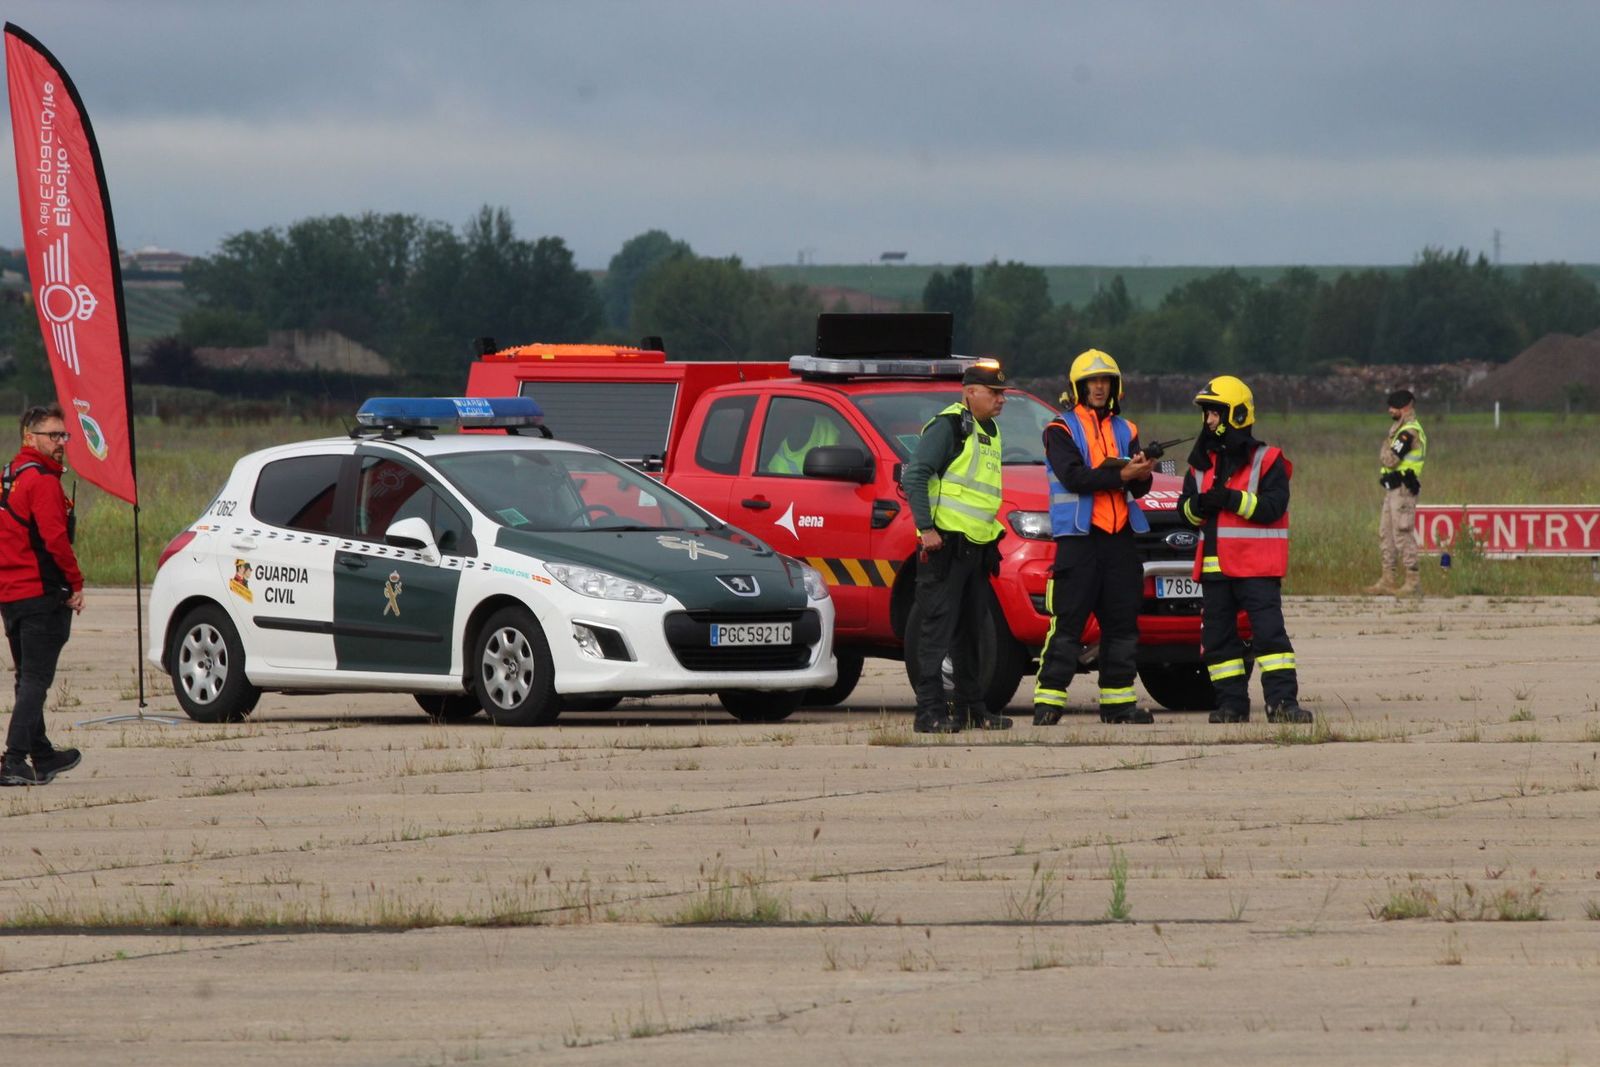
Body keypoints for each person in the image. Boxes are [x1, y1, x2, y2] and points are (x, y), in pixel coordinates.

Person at [1032, 349, 1156, 726]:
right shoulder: (1060, 429)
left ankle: (1118, 705)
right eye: (1093, 382)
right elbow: (1074, 477)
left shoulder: (1127, 429)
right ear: (1079, 387)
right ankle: (1048, 703)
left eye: (1105, 381)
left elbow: (1142, 486)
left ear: (1115, 386)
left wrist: (1142, 470)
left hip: (1119, 540)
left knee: (1122, 626)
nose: (1100, 387)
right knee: (1068, 624)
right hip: (1079, 541)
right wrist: (1121, 476)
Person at [1178, 376, 1311, 724]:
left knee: (1269, 638)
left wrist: (1232, 499)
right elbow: (1185, 514)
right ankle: (1231, 705)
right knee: (1219, 644)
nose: (1208, 421)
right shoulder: (1199, 464)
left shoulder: (1269, 460)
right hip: (1214, 571)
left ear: (1236, 415)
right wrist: (1201, 504)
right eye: (1206, 413)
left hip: (1257, 569)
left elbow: (1273, 507)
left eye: (1215, 413)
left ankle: (1283, 704)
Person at [902, 359, 1012, 733]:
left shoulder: (990, 430)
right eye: (994, 393)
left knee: (970, 631)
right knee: (936, 631)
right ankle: (928, 712)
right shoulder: (949, 426)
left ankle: (971, 708)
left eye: (1002, 393)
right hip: (945, 546)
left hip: (976, 548)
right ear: (969, 393)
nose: (1001, 400)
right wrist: (925, 528)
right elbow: (915, 474)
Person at [1, 404, 86, 786]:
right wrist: (76, 583)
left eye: (63, 436)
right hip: (39, 594)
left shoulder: (7, 477)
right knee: (35, 679)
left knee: (27, 679)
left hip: (11, 594)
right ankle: (14, 760)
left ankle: (44, 755)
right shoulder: (42, 482)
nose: (60, 444)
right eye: (53, 436)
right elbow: (54, 539)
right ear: (29, 437)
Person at [1367, 388, 1427, 596]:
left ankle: (1413, 581)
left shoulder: (1408, 432)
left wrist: (1385, 447)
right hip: (1392, 490)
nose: (1389, 411)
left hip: (1403, 491)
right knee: (1386, 534)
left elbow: (1390, 460)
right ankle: (1388, 578)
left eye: (1393, 407)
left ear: (1405, 407)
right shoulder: (1398, 429)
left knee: (1402, 533)